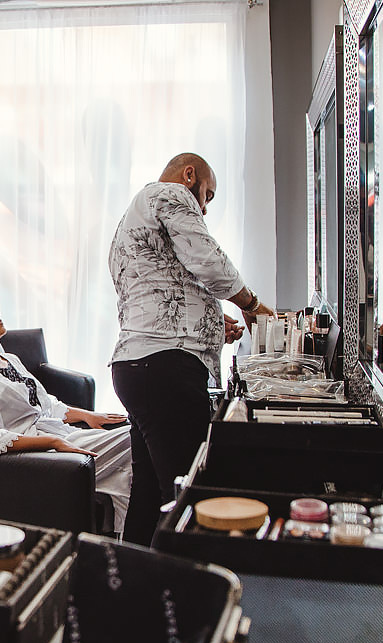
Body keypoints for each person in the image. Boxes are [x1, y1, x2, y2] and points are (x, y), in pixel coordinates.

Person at [108, 152, 273, 547]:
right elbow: (206, 259)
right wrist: (251, 304)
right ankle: (185, 598)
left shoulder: (131, 219)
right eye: (208, 195)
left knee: (150, 497)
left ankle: (132, 592)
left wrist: (215, 326)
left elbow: (165, 285)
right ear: (190, 175)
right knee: (190, 498)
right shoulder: (170, 193)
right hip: (164, 370)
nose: (203, 208)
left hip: (138, 366)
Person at [0, 286, 133, 537]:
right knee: (137, 438)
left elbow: (46, 404)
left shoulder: (12, 361)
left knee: (135, 444)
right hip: (42, 452)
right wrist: (52, 442)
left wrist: (86, 415)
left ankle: (133, 538)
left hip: (62, 433)